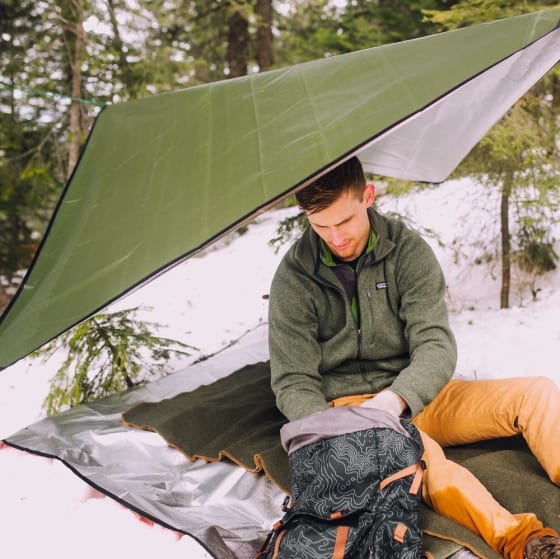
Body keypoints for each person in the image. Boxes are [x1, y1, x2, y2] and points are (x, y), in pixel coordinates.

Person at [268, 156, 560, 559]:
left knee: (537, 393)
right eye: (320, 225)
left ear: (367, 196)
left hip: (421, 392)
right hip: (352, 410)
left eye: (345, 221)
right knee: (428, 463)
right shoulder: (294, 277)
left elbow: (436, 344)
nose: (334, 237)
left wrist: (398, 398)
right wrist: (330, 431)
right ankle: (521, 539)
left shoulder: (407, 252)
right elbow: (292, 378)